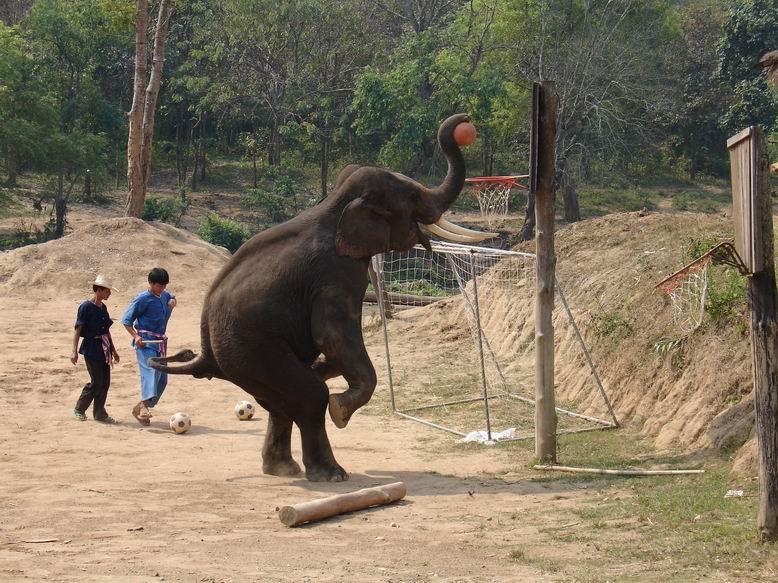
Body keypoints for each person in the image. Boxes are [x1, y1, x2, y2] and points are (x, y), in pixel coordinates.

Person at [121, 267, 177, 426]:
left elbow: (172, 297)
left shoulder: (164, 295)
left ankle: (139, 407)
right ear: (151, 283)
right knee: (150, 372)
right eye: (159, 285)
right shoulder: (142, 299)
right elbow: (126, 320)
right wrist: (136, 336)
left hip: (160, 343)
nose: (162, 289)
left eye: (164, 286)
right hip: (145, 342)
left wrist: (173, 302)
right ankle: (144, 407)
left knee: (162, 379)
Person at [71, 275, 120, 423]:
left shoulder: (103, 307)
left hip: (103, 348)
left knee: (105, 382)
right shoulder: (85, 307)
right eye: (107, 291)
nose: (109, 294)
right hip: (91, 348)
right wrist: (74, 351)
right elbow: (78, 329)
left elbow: (106, 331)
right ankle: (79, 409)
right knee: (96, 381)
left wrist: (113, 350)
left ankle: (100, 412)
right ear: (99, 290)